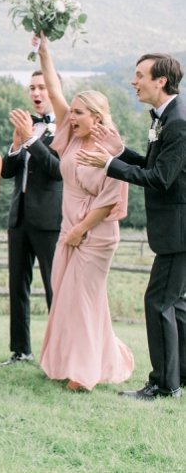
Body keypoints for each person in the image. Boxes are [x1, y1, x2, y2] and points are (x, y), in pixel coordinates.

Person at [77, 52, 186, 400]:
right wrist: (121, 151)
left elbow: (161, 178)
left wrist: (109, 163)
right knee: (177, 305)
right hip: (176, 229)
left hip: (178, 231)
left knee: (158, 303)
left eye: (139, 75)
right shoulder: (168, 117)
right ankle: (178, 376)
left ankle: (162, 385)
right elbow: (155, 164)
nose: (133, 81)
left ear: (161, 81)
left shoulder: (179, 120)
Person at [32, 35, 133, 391]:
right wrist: (45, 53)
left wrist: (81, 231)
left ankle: (84, 373)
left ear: (96, 116)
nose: (70, 116)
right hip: (68, 225)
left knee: (83, 299)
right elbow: (55, 90)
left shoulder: (111, 146)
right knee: (66, 296)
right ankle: (87, 358)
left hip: (97, 233)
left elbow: (109, 200)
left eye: (78, 112)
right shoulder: (72, 137)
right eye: (71, 112)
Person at [0, 71, 63, 366]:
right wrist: (15, 147)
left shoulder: (64, 127)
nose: (36, 92)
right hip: (19, 217)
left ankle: (58, 350)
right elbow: (7, 172)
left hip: (50, 220)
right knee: (18, 286)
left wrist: (31, 140)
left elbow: (57, 170)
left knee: (55, 287)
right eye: (32, 88)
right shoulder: (27, 125)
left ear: (54, 90)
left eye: (42, 87)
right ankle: (20, 350)